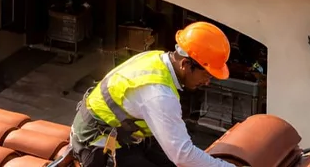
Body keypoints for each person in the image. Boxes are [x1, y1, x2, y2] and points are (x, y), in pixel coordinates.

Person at [69, 21, 235, 167]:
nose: (207, 82)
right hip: (97, 145)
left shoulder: (157, 58)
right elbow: (182, 156)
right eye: (206, 75)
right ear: (185, 64)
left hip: (122, 135)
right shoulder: (159, 94)